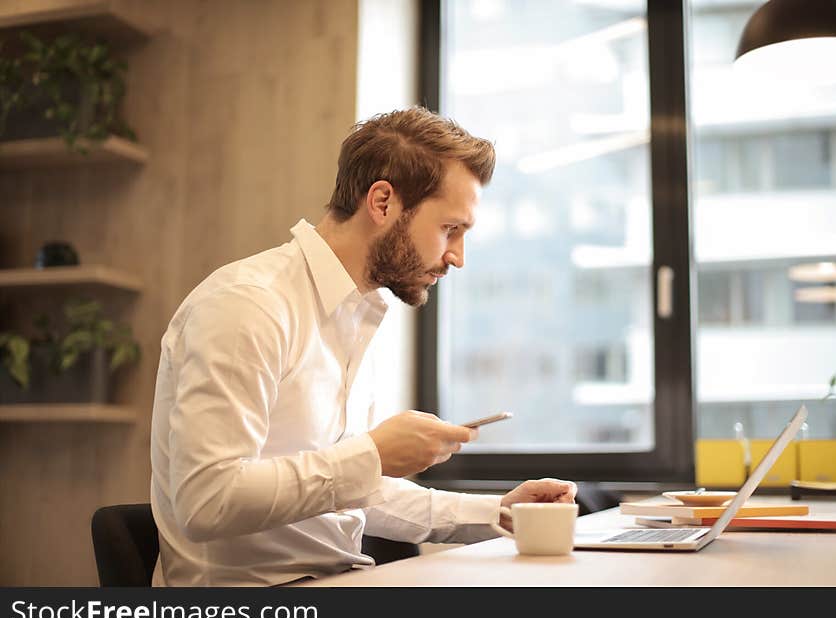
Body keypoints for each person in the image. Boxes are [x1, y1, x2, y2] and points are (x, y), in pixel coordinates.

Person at [149, 106, 577, 586]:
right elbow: (206, 501)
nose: (457, 257)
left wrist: (495, 513)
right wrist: (371, 454)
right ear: (382, 202)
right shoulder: (248, 306)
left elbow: (341, 490)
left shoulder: (354, 315)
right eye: (450, 230)